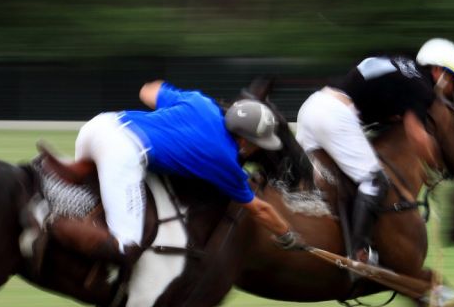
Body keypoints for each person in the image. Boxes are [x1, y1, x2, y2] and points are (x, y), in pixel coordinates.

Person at [46, 80, 305, 266]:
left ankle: (64, 183)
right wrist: (287, 234)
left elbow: (148, 90)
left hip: (99, 125)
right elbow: (259, 209)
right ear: (246, 141)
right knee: (126, 247)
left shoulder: (201, 104)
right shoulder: (225, 160)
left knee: (101, 199)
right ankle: (53, 224)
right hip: (122, 151)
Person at [295, 38, 454, 264]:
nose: (452, 92)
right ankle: (359, 253)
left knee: (329, 182)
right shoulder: (423, 87)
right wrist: (434, 164)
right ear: (438, 71)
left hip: (312, 107)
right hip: (335, 116)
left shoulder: (402, 66)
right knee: (374, 181)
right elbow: (416, 135)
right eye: (453, 82)